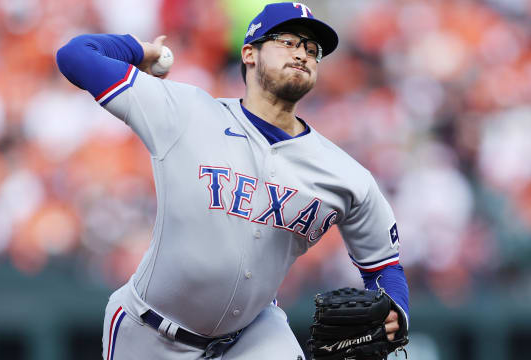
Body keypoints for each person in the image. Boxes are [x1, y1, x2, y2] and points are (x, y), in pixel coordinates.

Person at [56, 2, 409, 359]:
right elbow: (75, 55)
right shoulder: (185, 112)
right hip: (148, 332)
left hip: (253, 337)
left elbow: (383, 266)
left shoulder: (345, 175)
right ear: (249, 53)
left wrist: (396, 312)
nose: (302, 53)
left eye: (311, 49)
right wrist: (139, 50)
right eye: (287, 41)